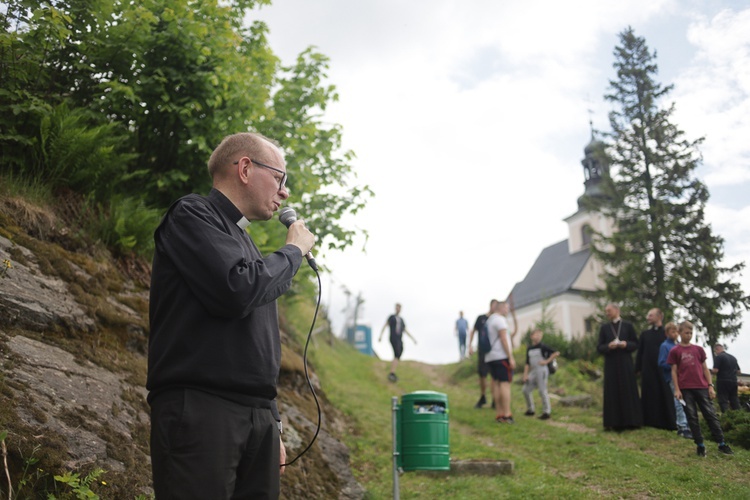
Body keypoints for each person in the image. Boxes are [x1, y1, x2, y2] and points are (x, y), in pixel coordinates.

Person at [147, 132, 316, 498]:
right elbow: (235, 290)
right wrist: (293, 254)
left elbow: (258, 345)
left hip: (257, 420)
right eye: (279, 178)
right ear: (244, 168)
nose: (284, 192)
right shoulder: (191, 214)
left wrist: (271, 423)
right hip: (202, 411)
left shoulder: (247, 244)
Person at [667, 321, 733, 456]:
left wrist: (710, 386)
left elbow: (705, 368)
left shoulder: (698, 350)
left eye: (691, 333)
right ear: (679, 333)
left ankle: (721, 443)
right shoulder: (675, 351)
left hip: (701, 387)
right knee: (692, 417)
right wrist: (677, 389)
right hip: (685, 389)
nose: (689, 335)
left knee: (710, 415)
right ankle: (700, 445)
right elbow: (674, 371)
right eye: (686, 332)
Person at [597, 303, 642, 430]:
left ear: (617, 310)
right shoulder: (604, 328)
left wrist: (626, 344)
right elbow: (599, 347)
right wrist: (608, 346)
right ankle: (613, 423)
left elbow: (635, 344)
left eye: (609, 311)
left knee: (628, 390)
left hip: (625, 363)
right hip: (611, 364)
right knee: (612, 392)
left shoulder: (628, 326)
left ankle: (632, 422)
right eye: (606, 311)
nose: (607, 313)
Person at [635, 308, 675, 430]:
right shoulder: (645, 334)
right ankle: (649, 420)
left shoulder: (667, 334)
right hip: (648, 370)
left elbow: (674, 351)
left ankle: (668, 422)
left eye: (650, 315)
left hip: (664, 370)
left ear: (659, 316)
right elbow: (640, 353)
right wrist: (637, 368)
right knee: (649, 394)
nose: (648, 318)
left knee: (665, 394)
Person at [658, 322, 691, 439]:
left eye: (677, 332)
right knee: (678, 401)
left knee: (686, 401)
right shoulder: (665, 346)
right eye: (673, 332)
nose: (676, 334)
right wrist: (674, 366)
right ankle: (682, 427)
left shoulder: (679, 345)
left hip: (684, 378)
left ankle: (688, 425)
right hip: (672, 378)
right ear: (667, 333)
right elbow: (661, 362)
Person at [485, 300, 516, 423]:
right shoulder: (500, 320)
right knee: (505, 384)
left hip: (490, 357)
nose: (507, 310)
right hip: (501, 356)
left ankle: (499, 413)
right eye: (506, 308)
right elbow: (503, 339)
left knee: (497, 384)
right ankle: (507, 414)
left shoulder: (489, 320)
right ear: (501, 308)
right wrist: (510, 357)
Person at [522, 328, 559, 420]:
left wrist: (546, 361)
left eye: (540, 334)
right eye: (536, 334)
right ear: (531, 336)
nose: (538, 336)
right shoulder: (529, 348)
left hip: (541, 370)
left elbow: (556, 353)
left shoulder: (543, 346)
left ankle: (546, 412)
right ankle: (531, 409)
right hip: (533, 371)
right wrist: (525, 374)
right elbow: (527, 363)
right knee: (525, 390)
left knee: (542, 391)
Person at [378, 303, 417, 382]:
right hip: (393, 337)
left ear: (400, 309)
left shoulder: (402, 320)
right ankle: (391, 373)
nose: (397, 309)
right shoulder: (391, 317)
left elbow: (405, 330)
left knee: (399, 352)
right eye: (396, 307)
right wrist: (380, 336)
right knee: (397, 353)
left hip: (399, 338)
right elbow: (385, 325)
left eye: (399, 308)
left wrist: (413, 339)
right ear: (395, 308)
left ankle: (393, 371)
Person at [468, 301, 495, 408]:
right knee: (482, 375)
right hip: (483, 351)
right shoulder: (481, 318)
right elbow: (473, 331)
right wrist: (470, 345)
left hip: (494, 352)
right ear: (491, 305)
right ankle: (483, 396)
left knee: (494, 376)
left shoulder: (496, 320)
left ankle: (495, 399)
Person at [711, 343, 742, 412]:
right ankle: (739, 415)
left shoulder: (719, 357)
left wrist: (709, 372)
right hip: (733, 381)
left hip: (723, 381)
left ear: (717, 349)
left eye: (715, 351)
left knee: (723, 400)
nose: (715, 353)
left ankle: (726, 416)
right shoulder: (733, 358)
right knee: (734, 399)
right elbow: (739, 371)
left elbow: (715, 370)